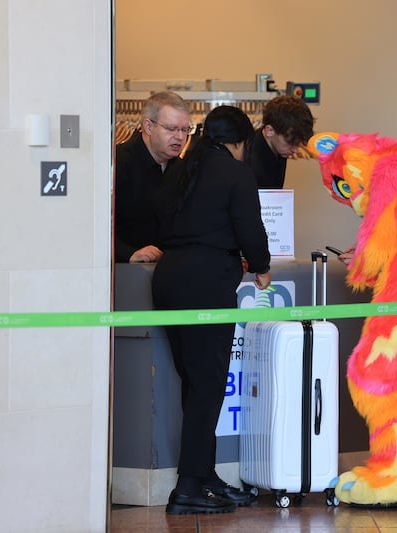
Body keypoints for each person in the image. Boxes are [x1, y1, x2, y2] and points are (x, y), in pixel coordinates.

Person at [151, 105, 272, 515]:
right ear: (238, 143)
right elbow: (251, 231)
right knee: (207, 385)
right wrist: (260, 268)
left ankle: (204, 476)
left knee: (196, 382)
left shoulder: (182, 168)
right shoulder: (236, 174)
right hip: (206, 283)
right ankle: (187, 488)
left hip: (169, 278)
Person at [114, 91, 192, 263]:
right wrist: (128, 254)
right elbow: (96, 226)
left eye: (185, 130)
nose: (180, 137)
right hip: (123, 272)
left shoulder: (183, 169)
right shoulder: (117, 164)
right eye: (171, 129)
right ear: (148, 127)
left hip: (169, 271)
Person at [246, 94, 315, 189]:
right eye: (290, 142)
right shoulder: (248, 161)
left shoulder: (277, 147)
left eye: (298, 143)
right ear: (269, 131)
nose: (296, 150)